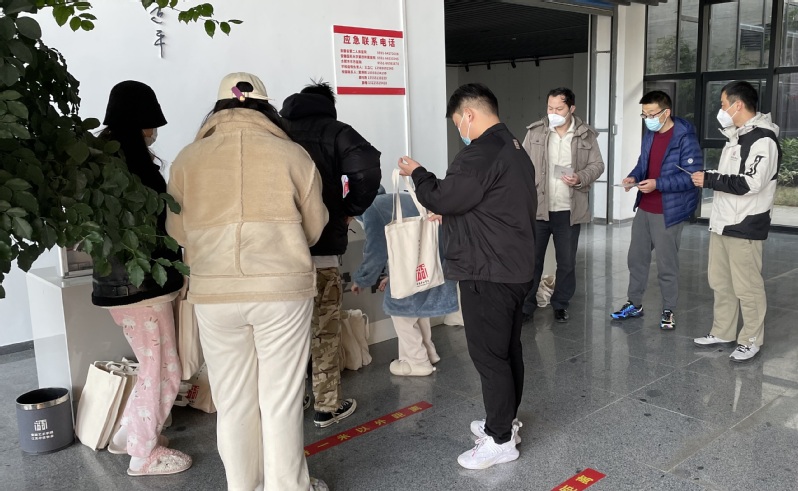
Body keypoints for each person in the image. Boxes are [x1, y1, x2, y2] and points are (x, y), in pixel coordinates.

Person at [166, 73, 329, 491]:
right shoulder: (292, 154)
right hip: (281, 291)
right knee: (281, 400)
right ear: (266, 107)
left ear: (218, 108)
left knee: (234, 402)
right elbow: (314, 228)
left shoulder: (187, 159)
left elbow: (177, 231)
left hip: (215, 292)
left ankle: (244, 486)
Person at [398, 83, 537, 470]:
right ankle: (504, 423)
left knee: (490, 356)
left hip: (488, 271)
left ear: (469, 115)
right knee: (507, 351)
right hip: (513, 267)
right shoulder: (513, 147)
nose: (459, 129)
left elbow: (441, 196)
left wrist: (418, 173)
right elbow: (491, 204)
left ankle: (499, 440)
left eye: (458, 122)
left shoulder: (479, 153)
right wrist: (455, 213)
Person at [92, 80, 191, 476]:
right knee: (163, 369)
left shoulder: (97, 160)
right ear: (138, 121)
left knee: (152, 365)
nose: (154, 131)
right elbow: (161, 222)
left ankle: (128, 436)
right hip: (144, 286)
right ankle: (143, 454)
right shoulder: (134, 167)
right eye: (151, 124)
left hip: (116, 285)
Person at [280, 81, 381, 427]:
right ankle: (326, 406)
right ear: (328, 105)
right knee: (324, 330)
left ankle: (294, 400)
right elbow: (367, 168)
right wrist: (348, 209)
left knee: (285, 335)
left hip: (280, 257)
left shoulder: (276, 130)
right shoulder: (336, 131)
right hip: (322, 251)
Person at [692, 81, 780, 362]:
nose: (721, 109)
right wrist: (711, 176)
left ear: (737, 104)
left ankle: (751, 340)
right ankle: (723, 331)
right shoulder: (736, 137)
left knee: (747, 287)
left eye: (723, 104)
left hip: (745, 224)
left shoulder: (763, 140)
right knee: (721, 282)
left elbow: (752, 182)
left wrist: (710, 179)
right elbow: (730, 176)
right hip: (723, 222)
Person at [610, 90, 703, 330]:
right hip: (645, 206)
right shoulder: (650, 134)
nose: (648, 119)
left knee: (666, 264)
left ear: (666, 112)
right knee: (636, 259)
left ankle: (669, 309)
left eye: (652, 114)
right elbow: (643, 163)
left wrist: (657, 184)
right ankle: (634, 304)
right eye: (644, 114)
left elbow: (692, 178)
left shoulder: (685, 138)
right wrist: (633, 177)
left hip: (668, 210)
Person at [350, 189, 458, 376]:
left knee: (402, 313)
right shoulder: (400, 198)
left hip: (409, 269)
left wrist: (362, 279)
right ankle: (429, 351)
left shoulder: (371, 209)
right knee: (419, 310)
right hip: (431, 263)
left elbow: (376, 251)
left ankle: (416, 361)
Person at [521, 87, 605, 323]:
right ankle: (526, 306)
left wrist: (580, 177)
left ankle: (560, 304)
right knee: (532, 261)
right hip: (538, 208)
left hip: (569, 210)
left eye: (559, 108)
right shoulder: (536, 132)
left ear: (571, 108)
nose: (553, 113)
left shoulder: (585, 135)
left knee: (566, 262)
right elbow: (521, 163)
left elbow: (597, 165)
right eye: (550, 108)